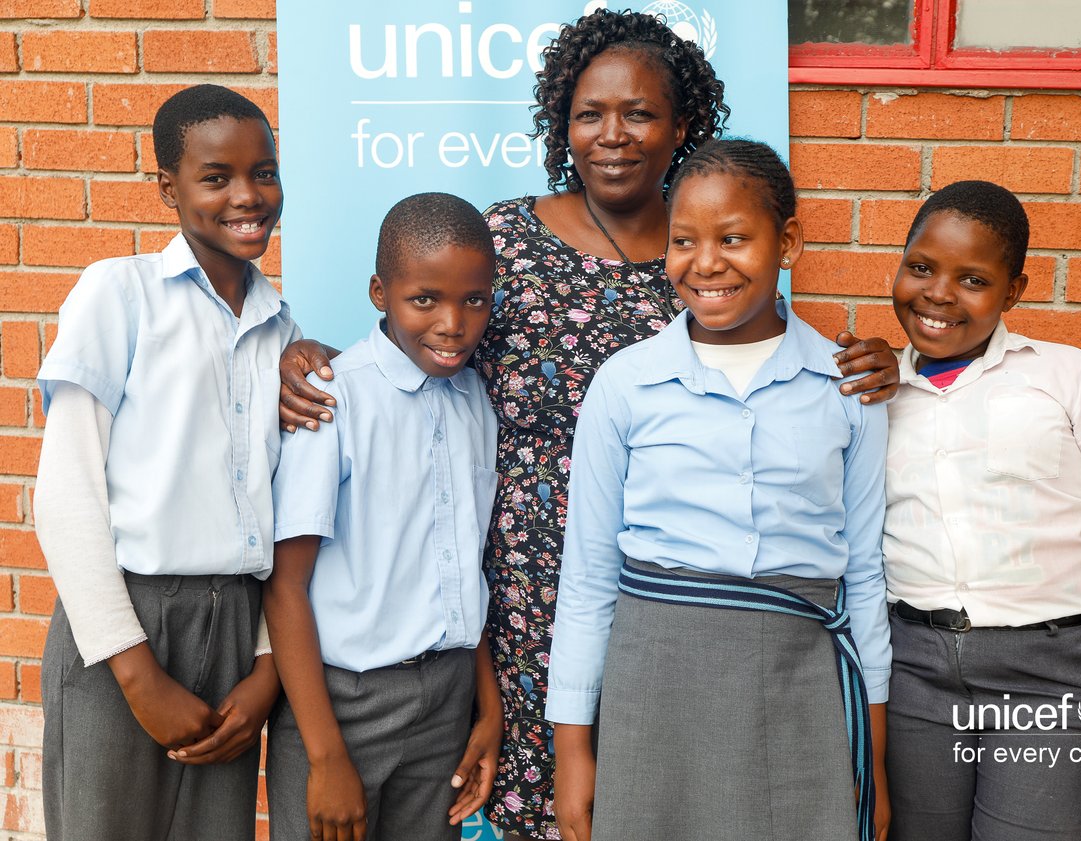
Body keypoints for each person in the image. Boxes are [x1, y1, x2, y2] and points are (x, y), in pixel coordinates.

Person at [276, 11, 901, 839]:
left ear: (682, 125)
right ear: (559, 122)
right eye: (588, 113)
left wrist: (884, 363)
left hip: (662, 590)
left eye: (639, 113)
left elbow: (780, 375)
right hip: (520, 600)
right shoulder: (506, 238)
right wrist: (300, 356)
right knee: (551, 810)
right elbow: (417, 329)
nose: (612, 135)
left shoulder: (705, 257)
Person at [547, 138, 891, 841]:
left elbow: (865, 577)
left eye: (733, 238)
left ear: (787, 241)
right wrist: (573, 750)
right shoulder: (626, 382)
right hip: (656, 684)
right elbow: (586, 580)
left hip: (802, 685)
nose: (705, 264)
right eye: (683, 241)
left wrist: (874, 758)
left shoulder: (848, 388)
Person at [882, 180, 1081, 841]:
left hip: (1052, 678)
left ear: (1013, 290)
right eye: (921, 266)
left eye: (973, 279)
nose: (937, 293)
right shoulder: (874, 392)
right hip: (914, 673)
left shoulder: (1074, 379)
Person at [33, 84, 292, 841]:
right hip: (126, 624)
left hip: (238, 628)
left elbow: (284, 509)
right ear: (167, 188)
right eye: (217, 177)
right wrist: (138, 674)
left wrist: (267, 667)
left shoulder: (281, 327)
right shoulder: (120, 294)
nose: (248, 195)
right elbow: (67, 496)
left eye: (265, 172)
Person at [264, 193, 503, 841]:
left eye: (475, 300)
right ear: (380, 291)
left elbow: (465, 562)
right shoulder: (332, 399)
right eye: (425, 299)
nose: (453, 323)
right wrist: (326, 755)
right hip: (344, 704)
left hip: (447, 699)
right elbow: (284, 586)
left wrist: (488, 704)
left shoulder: (475, 399)